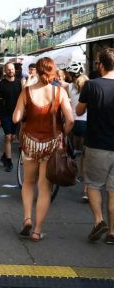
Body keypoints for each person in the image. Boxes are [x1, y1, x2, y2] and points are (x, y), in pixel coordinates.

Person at [13, 57, 74, 242]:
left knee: (28, 183)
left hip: (30, 143)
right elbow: (70, 120)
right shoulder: (59, 92)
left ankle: (27, 218)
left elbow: (16, 118)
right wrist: (62, 135)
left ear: (37, 72)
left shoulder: (26, 92)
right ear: (53, 71)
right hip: (51, 144)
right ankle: (37, 231)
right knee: (44, 187)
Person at [76, 49, 114, 244]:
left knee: (93, 184)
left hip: (97, 143)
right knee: (113, 190)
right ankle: (112, 232)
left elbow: (79, 110)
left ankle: (99, 220)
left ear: (100, 65)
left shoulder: (91, 85)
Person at [65, 62, 89, 202]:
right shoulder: (91, 85)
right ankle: (86, 190)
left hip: (73, 123)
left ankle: (72, 163)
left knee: (72, 149)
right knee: (86, 157)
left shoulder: (68, 87)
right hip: (88, 124)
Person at [0, 62, 22, 172]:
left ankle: (5, 155)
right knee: (8, 137)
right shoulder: (1, 84)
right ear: (5, 71)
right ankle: (9, 161)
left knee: (13, 138)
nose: (11, 71)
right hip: (5, 113)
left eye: (12, 69)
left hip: (16, 113)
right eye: (8, 69)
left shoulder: (19, 83)